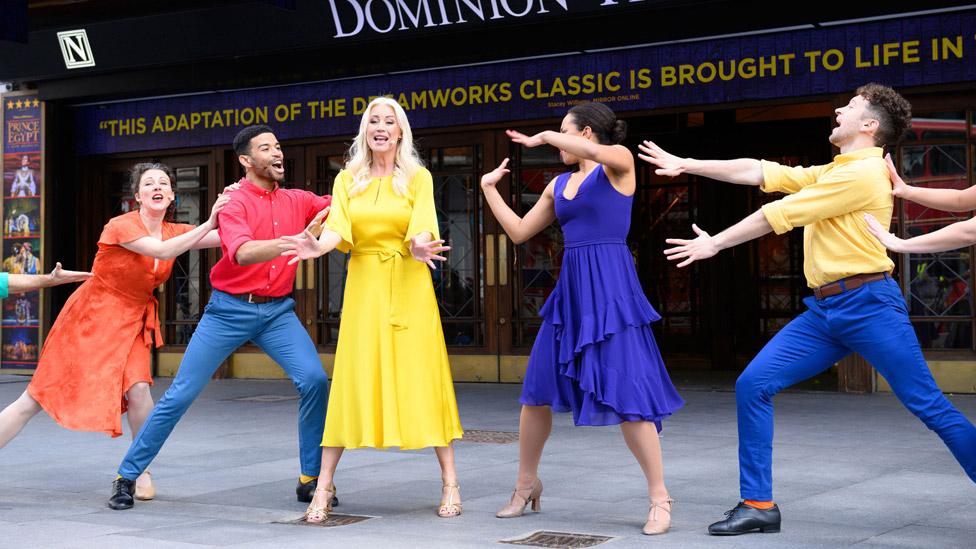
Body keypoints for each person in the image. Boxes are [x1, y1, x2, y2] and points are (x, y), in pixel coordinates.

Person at [640, 83, 976, 535]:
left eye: (851, 107)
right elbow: (762, 173)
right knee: (753, 385)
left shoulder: (860, 175)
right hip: (825, 311)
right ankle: (758, 504)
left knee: (929, 406)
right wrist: (689, 164)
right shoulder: (837, 170)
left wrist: (714, 243)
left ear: (869, 125)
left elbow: (777, 214)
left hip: (870, 305)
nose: (838, 108)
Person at [476, 102, 684, 535]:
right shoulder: (558, 185)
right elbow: (518, 232)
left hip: (612, 293)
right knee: (535, 393)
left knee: (630, 396)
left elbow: (603, 153)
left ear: (586, 134)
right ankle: (525, 484)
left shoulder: (619, 165)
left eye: (564, 133)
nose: (556, 143)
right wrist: (488, 188)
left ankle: (660, 498)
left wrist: (546, 136)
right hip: (570, 296)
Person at [108, 125, 334, 511]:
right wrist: (293, 243)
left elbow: (341, 202)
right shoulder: (233, 203)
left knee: (314, 380)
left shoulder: (298, 199)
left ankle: (311, 478)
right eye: (266, 148)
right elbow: (242, 253)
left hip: (278, 311)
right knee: (181, 393)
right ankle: (127, 475)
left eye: (278, 146)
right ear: (246, 160)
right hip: (229, 311)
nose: (277, 153)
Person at [0, 162, 232, 501]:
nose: (156, 186)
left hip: (133, 321)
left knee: (139, 390)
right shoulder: (120, 226)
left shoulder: (174, 230)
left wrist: (289, 228)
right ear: (137, 195)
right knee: (35, 399)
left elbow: (230, 237)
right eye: (148, 183)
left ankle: (139, 470)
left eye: (163, 183)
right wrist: (209, 222)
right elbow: (165, 251)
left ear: (170, 195)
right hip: (91, 318)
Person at [280, 97, 463, 523]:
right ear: (365, 131)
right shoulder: (348, 179)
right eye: (373, 121)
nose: (381, 127)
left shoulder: (419, 177)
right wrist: (315, 246)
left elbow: (422, 229)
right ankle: (322, 487)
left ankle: (450, 481)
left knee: (423, 377)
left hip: (408, 287)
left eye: (389, 121)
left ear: (400, 132)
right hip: (364, 289)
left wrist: (418, 245)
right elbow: (337, 231)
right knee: (351, 380)